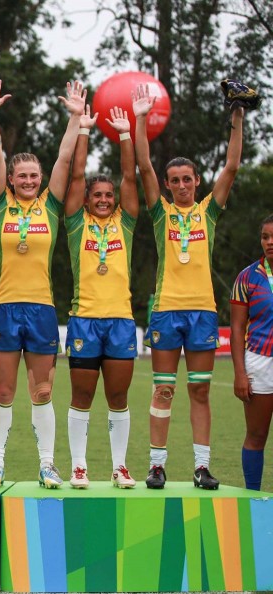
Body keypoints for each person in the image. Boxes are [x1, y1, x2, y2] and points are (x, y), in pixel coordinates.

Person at [133, 85, 245, 490]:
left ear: (197, 181)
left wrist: (237, 115)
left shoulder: (208, 212)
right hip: (166, 309)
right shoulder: (161, 213)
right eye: (174, 181)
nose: (181, 185)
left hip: (201, 312)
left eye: (187, 179)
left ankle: (201, 467)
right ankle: (157, 466)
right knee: (163, 392)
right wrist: (142, 118)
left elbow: (231, 166)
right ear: (166, 185)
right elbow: (143, 166)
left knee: (199, 393)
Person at [0, 78, 85, 488]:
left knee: (42, 391)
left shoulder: (50, 205)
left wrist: (75, 118)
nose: (27, 180)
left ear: (40, 178)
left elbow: (64, 160)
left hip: (42, 308)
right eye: (20, 175)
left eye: (32, 175)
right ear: (10, 179)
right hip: (4, 306)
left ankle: (47, 464)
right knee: (4, 391)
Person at [63, 105, 139, 488]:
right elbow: (76, 174)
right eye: (98, 195)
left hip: (121, 321)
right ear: (89, 199)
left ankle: (119, 466)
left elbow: (130, 174)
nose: (105, 199)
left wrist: (126, 133)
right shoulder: (77, 224)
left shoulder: (126, 222)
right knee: (82, 395)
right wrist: (84, 129)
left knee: (118, 396)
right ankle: (79, 466)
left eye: (109, 195)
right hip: (84, 319)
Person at [231, 215, 273, 491]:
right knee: (256, 435)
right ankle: (253, 498)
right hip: (260, 362)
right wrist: (240, 374)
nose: (270, 242)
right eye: (265, 237)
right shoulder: (247, 277)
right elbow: (236, 328)